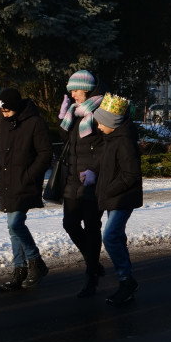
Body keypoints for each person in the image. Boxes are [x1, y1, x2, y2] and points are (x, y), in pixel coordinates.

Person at [0, 88, 52, 292]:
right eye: (2, 111)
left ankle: (36, 262)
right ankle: (20, 270)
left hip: (24, 183)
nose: (4, 114)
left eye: (7, 110)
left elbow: (45, 154)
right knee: (12, 228)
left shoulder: (34, 123)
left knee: (16, 224)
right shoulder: (4, 123)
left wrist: (28, 176)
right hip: (7, 182)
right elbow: (1, 152)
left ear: (16, 107)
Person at [58, 70, 107, 298]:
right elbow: (68, 141)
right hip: (72, 178)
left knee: (92, 226)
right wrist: (65, 114)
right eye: (71, 91)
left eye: (75, 90)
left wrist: (94, 171)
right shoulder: (75, 113)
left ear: (86, 89)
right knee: (70, 223)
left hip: (91, 181)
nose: (73, 94)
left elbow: (108, 147)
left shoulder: (100, 112)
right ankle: (94, 264)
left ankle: (91, 276)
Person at [93, 94, 143, 305]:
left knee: (111, 236)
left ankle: (126, 278)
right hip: (115, 196)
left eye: (100, 122)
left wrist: (108, 190)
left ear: (112, 122)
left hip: (122, 197)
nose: (98, 127)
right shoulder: (111, 139)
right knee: (117, 237)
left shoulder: (123, 141)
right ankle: (126, 281)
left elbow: (130, 175)